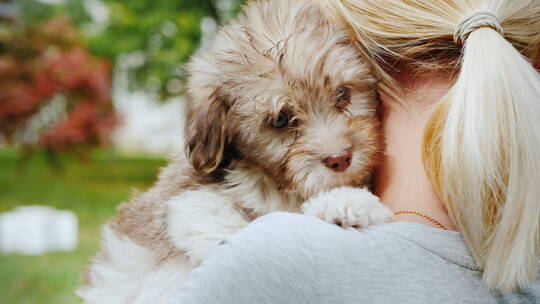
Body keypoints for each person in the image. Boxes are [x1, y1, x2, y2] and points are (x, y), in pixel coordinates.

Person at [170, 0, 540, 302]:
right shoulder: (527, 268)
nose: (336, 150)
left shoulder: (277, 259)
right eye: (283, 122)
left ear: (366, 56)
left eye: (342, 98)